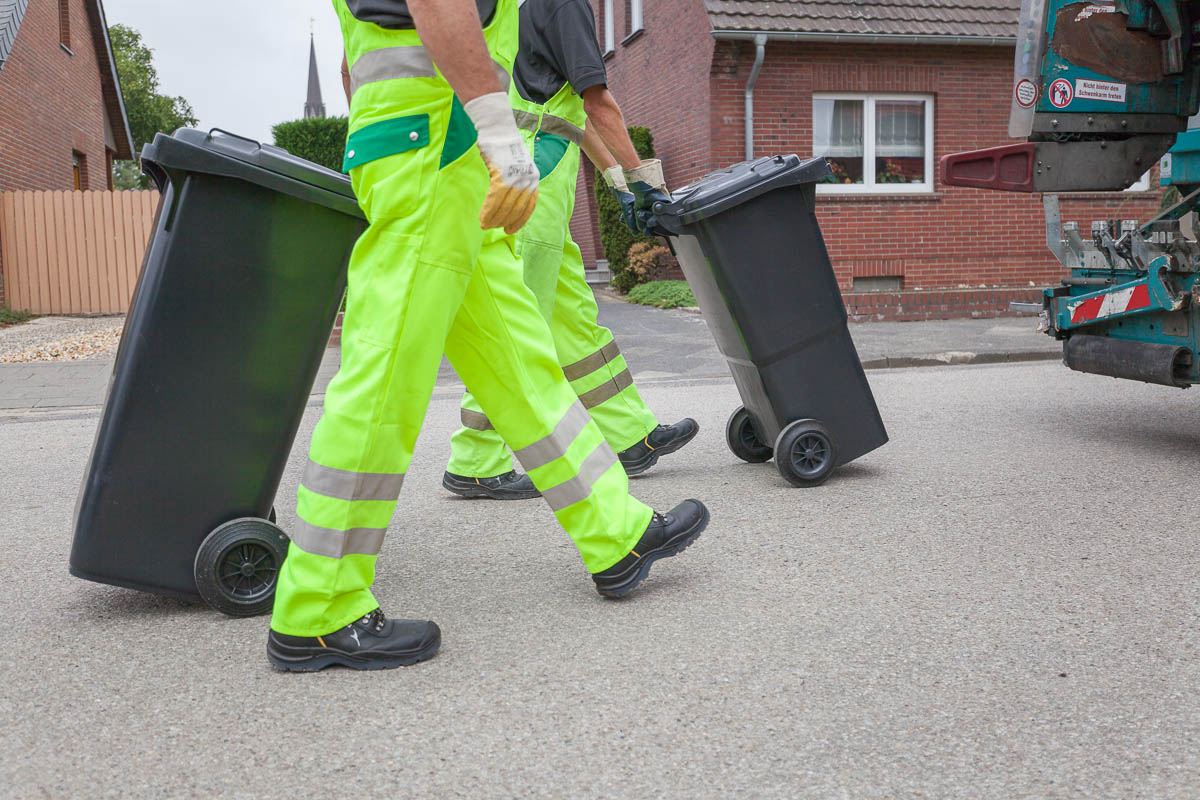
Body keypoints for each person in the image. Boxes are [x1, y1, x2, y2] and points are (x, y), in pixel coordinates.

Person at [266, 0, 709, 672]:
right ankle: (318, 606)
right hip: (436, 152)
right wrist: (500, 138)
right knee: (385, 379)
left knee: (522, 364)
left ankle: (615, 532)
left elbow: (356, 65)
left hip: (436, 152)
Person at [440, 0, 696, 501]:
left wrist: (617, 180)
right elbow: (599, 104)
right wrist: (646, 182)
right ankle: (474, 460)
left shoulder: (523, 6)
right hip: (534, 174)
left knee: (574, 321)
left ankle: (629, 435)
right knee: (517, 323)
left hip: (532, 167)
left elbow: (577, 116)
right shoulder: (566, 4)